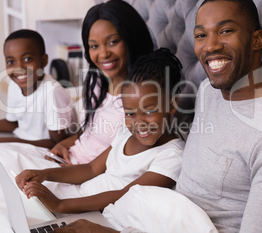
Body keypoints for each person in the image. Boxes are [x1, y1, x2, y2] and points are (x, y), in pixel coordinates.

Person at [53, 0, 262, 233]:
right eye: (200, 35)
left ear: (257, 40)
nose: (210, 46)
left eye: (226, 31)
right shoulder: (209, 91)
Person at [15, 48, 185, 214]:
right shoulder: (125, 134)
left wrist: (60, 205)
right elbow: (90, 170)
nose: (139, 123)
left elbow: (126, 195)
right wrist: (43, 175)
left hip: (94, 213)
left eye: (149, 111)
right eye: (130, 113)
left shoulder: (172, 155)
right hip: (80, 198)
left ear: (171, 105)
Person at [49, 0, 154, 165]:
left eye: (113, 42)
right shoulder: (98, 81)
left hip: (87, 175)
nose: (103, 54)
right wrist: (63, 144)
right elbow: (88, 132)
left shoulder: (143, 95)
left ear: (131, 39)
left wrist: (67, 173)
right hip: (70, 160)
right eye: (94, 46)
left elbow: (115, 160)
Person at [0, 29, 77, 148]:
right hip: (19, 140)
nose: (19, 68)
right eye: (11, 62)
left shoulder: (52, 93)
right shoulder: (15, 85)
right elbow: (13, 123)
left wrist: (9, 142)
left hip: (41, 149)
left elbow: (58, 143)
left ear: (43, 61)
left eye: (27, 59)